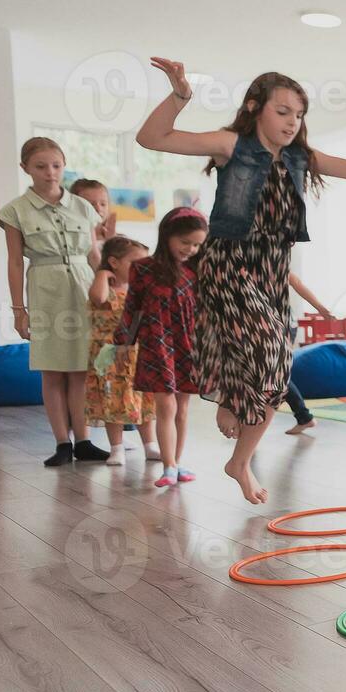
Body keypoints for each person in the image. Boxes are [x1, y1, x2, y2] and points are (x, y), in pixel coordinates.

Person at [135, 57, 346, 503]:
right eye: (283, 111)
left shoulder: (300, 157)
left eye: (299, 114)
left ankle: (237, 444)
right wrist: (180, 96)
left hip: (272, 271)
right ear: (255, 107)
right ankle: (238, 434)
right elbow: (152, 137)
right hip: (229, 264)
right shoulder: (231, 145)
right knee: (271, 350)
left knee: (275, 364)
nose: (293, 122)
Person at [0, 137, 109, 466]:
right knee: (52, 372)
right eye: (41, 167)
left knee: (80, 370)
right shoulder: (14, 211)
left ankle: (84, 441)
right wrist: (20, 310)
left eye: (56, 166)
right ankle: (62, 442)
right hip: (45, 290)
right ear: (25, 169)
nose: (50, 173)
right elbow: (15, 263)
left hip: (84, 289)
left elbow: (93, 255)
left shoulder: (82, 207)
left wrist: (110, 294)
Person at [103, 208, 207, 488]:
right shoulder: (143, 268)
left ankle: (177, 461)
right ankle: (168, 465)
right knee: (165, 405)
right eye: (185, 242)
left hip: (188, 343)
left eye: (197, 244)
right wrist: (124, 342)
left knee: (183, 408)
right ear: (168, 236)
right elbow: (132, 307)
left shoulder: (197, 269)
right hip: (156, 341)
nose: (191, 249)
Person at [86, 235, 158, 465]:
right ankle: (116, 447)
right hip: (111, 356)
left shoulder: (140, 289)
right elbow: (97, 298)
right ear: (114, 262)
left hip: (138, 354)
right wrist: (102, 274)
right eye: (136, 264)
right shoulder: (105, 287)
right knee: (113, 402)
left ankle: (150, 444)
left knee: (145, 400)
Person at [283, 271, 330, 435]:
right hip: (272, 323)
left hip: (282, 323)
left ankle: (304, 417)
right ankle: (304, 417)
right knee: (275, 374)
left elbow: (297, 283)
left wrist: (320, 308)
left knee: (277, 374)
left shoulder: (272, 259)